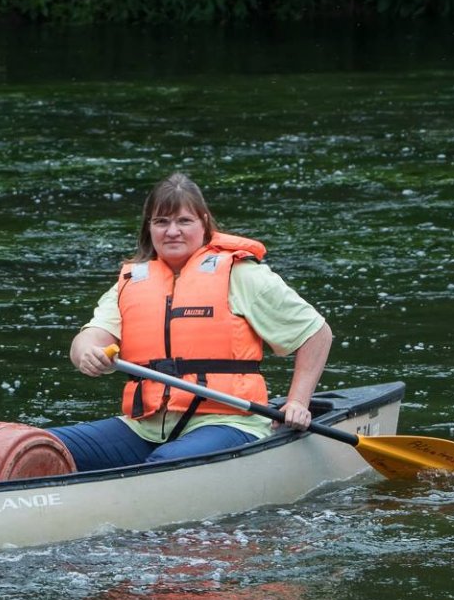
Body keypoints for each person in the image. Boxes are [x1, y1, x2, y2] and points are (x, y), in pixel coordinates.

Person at [50, 172, 332, 470]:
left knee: (163, 463)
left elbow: (316, 333)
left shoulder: (241, 275)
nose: (172, 231)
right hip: (145, 427)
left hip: (228, 422)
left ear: (204, 224)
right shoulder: (130, 283)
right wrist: (86, 353)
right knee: (40, 443)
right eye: (162, 222)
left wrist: (297, 401)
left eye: (184, 221)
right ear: (149, 228)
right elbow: (90, 337)